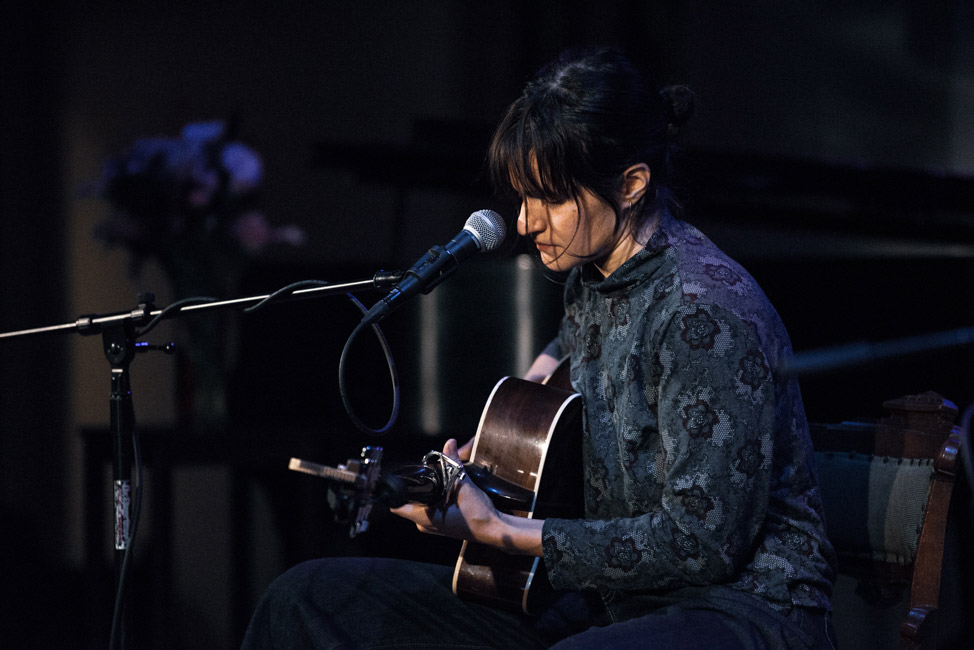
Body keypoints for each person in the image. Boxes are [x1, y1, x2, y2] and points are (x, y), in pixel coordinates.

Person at [241, 47, 838, 650]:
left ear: (631, 184)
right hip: (614, 598)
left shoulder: (702, 313)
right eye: (522, 197)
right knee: (308, 598)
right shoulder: (593, 274)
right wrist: (492, 446)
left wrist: (502, 529)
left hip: (741, 609)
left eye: (549, 198)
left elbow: (698, 545)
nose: (526, 223)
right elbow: (569, 350)